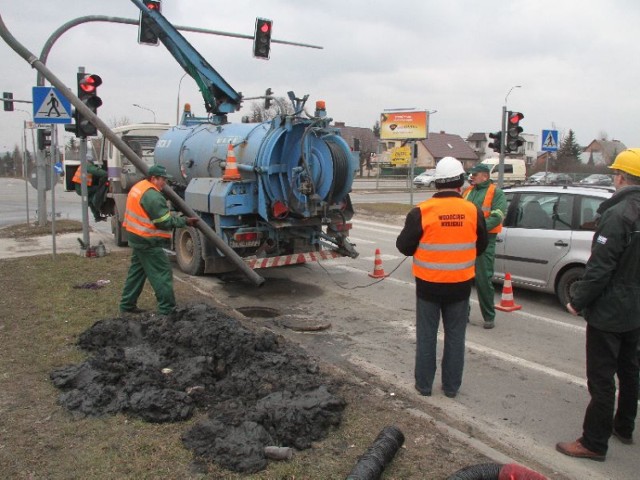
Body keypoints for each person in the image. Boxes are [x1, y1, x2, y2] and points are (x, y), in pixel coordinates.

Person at [556, 148, 640, 462]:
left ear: (621, 177)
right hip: (635, 308)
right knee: (630, 370)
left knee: (602, 378)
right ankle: (625, 426)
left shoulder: (618, 215)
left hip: (610, 311)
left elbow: (600, 268)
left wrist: (578, 301)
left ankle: (593, 442)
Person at [396, 157, 488, 398]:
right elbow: (482, 246)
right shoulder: (472, 211)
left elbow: (404, 247)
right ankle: (451, 387)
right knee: (456, 338)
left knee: (427, 336)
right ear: (460, 181)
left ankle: (424, 386)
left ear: (436, 183)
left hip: (428, 287)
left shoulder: (422, 212)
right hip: (460, 287)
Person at [119, 164, 199, 316]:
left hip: (137, 237)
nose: (165, 183)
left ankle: (127, 305)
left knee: (137, 273)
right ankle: (167, 310)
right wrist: (185, 222)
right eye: (162, 180)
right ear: (153, 178)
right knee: (162, 273)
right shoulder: (152, 196)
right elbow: (164, 221)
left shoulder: (140, 186)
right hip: (148, 240)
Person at [462, 163, 507, 329]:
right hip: (466, 242)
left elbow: (497, 216)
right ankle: (462, 314)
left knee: (483, 280)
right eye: (471, 174)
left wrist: (476, 228)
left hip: (485, 241)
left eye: (475, 174)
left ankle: (488, 316)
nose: (472, 177)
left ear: (485, 176)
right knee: (463, 279)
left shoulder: (496, 192)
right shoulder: (467, 192)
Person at [72, 156, 108, 222]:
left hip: (81, 188)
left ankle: (97, 217)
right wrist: (108, 174)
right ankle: (97, 202)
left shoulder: (83, 166)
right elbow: (96, 171)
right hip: (83, 188)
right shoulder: (87, 166)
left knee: (90, 201)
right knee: (100, 189)